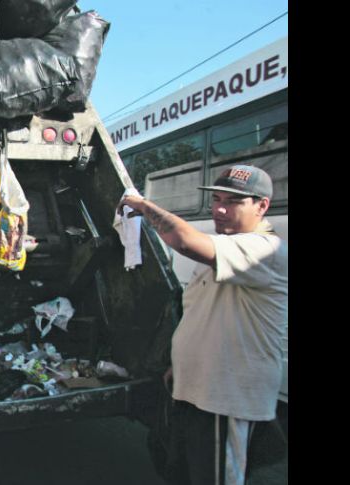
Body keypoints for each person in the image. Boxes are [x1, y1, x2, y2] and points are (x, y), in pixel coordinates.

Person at [118, 165, 287, 485]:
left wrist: (142, 205)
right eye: (217, 200)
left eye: (233, 202)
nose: (219, 210)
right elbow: (200, 313)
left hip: (225, 398)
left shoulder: (266, 250)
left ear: (262, 206)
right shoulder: (224, 248)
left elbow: (182, 240)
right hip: (196, 390)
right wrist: (178, 365)